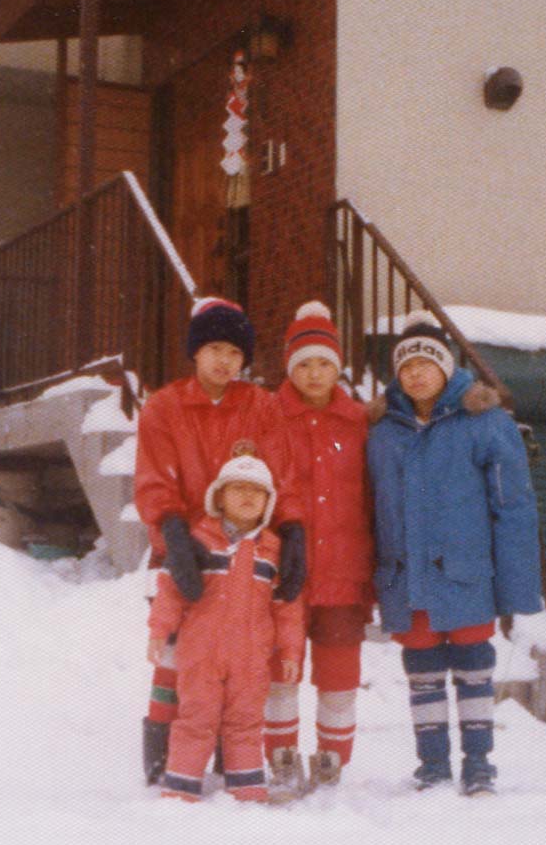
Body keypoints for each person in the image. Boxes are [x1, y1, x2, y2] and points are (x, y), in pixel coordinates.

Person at [366, 310, 543, 795]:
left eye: (426, 363)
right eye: (406, 366)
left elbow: (513, 507)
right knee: (422, 669)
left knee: (473, 666)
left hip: (466, 573)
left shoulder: (484, 423)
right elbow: (368, 508)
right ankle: (433, 764)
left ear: (446, 367)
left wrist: (517, 586)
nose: (416, 374)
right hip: (408, 576)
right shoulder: (382, 432)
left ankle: (479, 762)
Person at [135, 296, 306, 784]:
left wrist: (291, 529)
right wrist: (172, 533)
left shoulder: (261, 406)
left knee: (235, 656)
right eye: (213, 349)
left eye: (234, 352)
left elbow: (281, 475)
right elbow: (154, 479)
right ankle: (163, 756)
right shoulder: (164, 407)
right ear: (195, 351)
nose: (223, 361)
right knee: (176, 655)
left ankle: (230, 755)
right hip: (183, 547)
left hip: (243, 551)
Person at [146, 453, 305, 802]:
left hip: (251, 658)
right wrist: (159, 630)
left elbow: (287, 609)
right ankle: (180, 789)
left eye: (256, 491)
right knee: (196, 718)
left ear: (268, 502)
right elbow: (170, 590)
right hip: (201, 653)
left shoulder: (273, 551)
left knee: (245, 722)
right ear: (219, 497)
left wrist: (291, 651)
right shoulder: (199, 542)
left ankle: (247, 790)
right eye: (238, 488)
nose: (247, 496)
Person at [263, 302, 373, 794]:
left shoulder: (358, 423)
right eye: (303, 363)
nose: (313, 373)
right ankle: (282, 757)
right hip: (285, 570)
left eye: (323, 363)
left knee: (339, 677)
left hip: (344, 571)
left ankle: (332, 761)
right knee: (280, 673)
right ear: (290, 367)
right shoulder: (270, 417)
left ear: (338, 367)